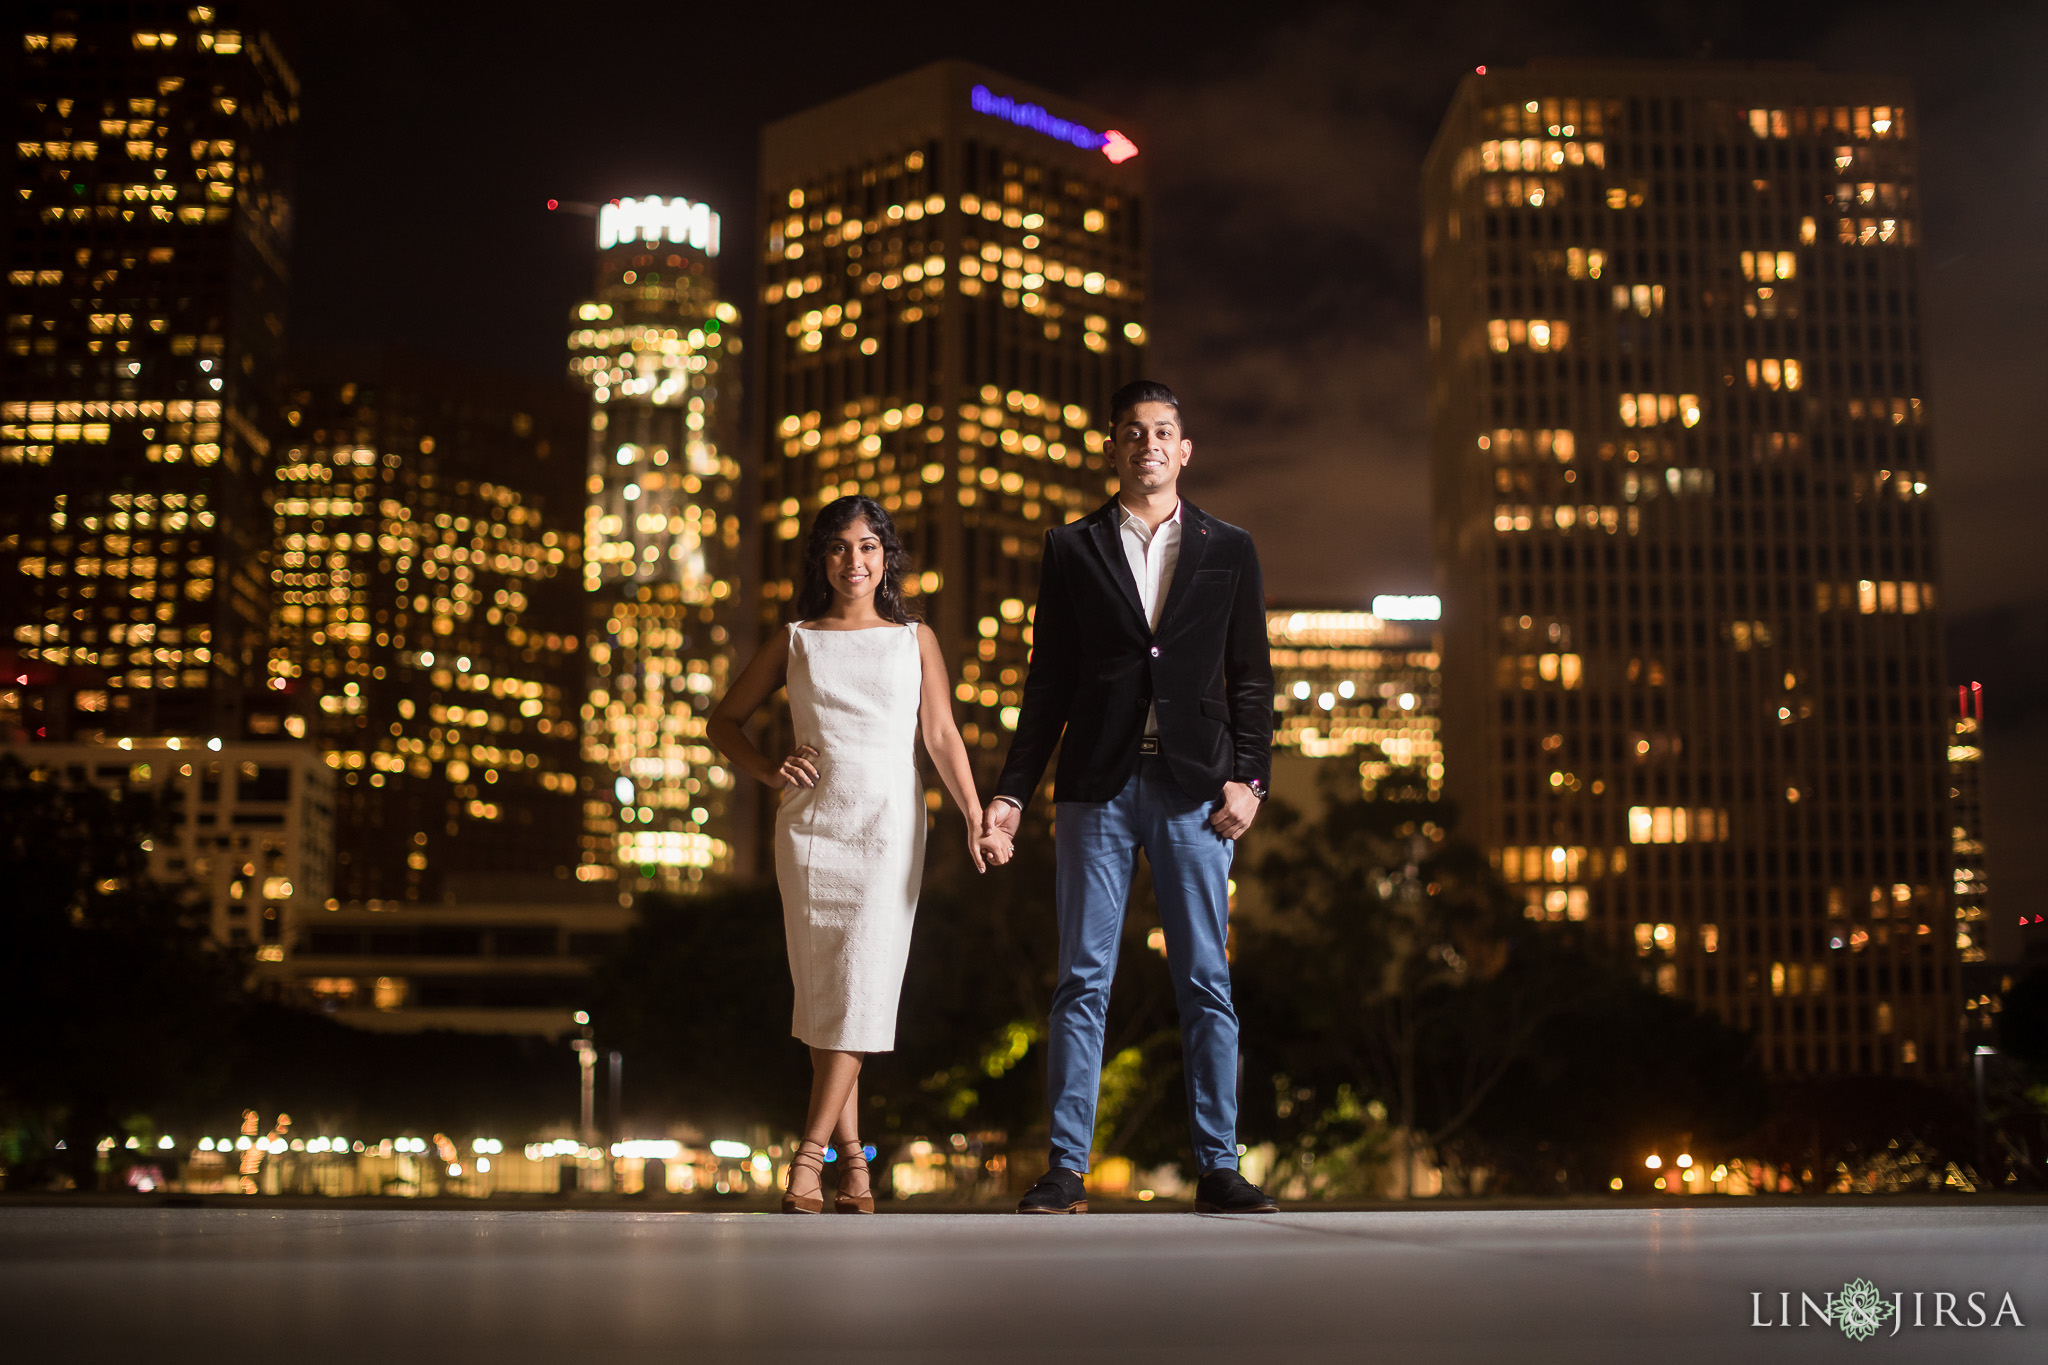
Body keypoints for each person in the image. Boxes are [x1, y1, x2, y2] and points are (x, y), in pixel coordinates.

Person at [985, 380, 1279, 1215]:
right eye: (1132, 433)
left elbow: (1251, 678)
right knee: (1082, 978)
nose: (1147, 444)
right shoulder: (1070, 546)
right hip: (1096, 789)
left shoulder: (1231, 546)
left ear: (1184, 450)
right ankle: (1066, 1169)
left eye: (1162, 433)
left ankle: (1219, 1165)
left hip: (1197, 793)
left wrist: (1251, 778)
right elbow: (1048, 684)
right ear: (1113, 448)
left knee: (1205, 978)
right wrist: (1013, 792)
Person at [710, 495, 1012, 1214]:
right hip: (811, 831)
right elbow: (724, 721)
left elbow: (941, 735)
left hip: (888, 827)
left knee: (859, 987)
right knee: (825, 996)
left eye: (870, 546)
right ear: (822, 557)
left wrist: (976, 816)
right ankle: (854, 1168)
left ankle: (807, 1160)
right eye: (841, 547)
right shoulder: (796, 640)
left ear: (887, 557)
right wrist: (767, 769)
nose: (855, 560)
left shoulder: (915, 639)